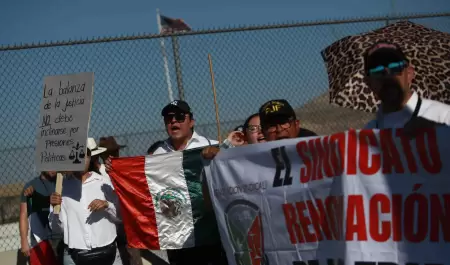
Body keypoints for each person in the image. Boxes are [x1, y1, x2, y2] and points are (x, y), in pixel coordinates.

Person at [49, 140, 119, 265]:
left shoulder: (104, 182)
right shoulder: (61, 189)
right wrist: (55, 210)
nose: (81, 159)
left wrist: (107, 205)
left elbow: (121, 216)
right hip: (75, 256)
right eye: (77, 154)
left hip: (108, 253)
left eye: (85, 155)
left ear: (90, 157)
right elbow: (57, 228)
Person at [363, 41, 450, 130]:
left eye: (395, 67)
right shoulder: (369, 132)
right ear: (368, 82)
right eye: (377, 71)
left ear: (409, 74)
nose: (387, 75)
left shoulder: (444, 117)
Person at [152, 100, 219, 154]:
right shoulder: (157, 154)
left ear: (191, 122)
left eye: (179, 117)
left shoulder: (212, 147)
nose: (173, 120)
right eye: (169, 118)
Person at [19, 171, 57, 260]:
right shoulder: (30, 186)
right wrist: (24, 240)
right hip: (39, 241)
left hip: (61, 238)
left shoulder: (63, 182)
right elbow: (23, 214)